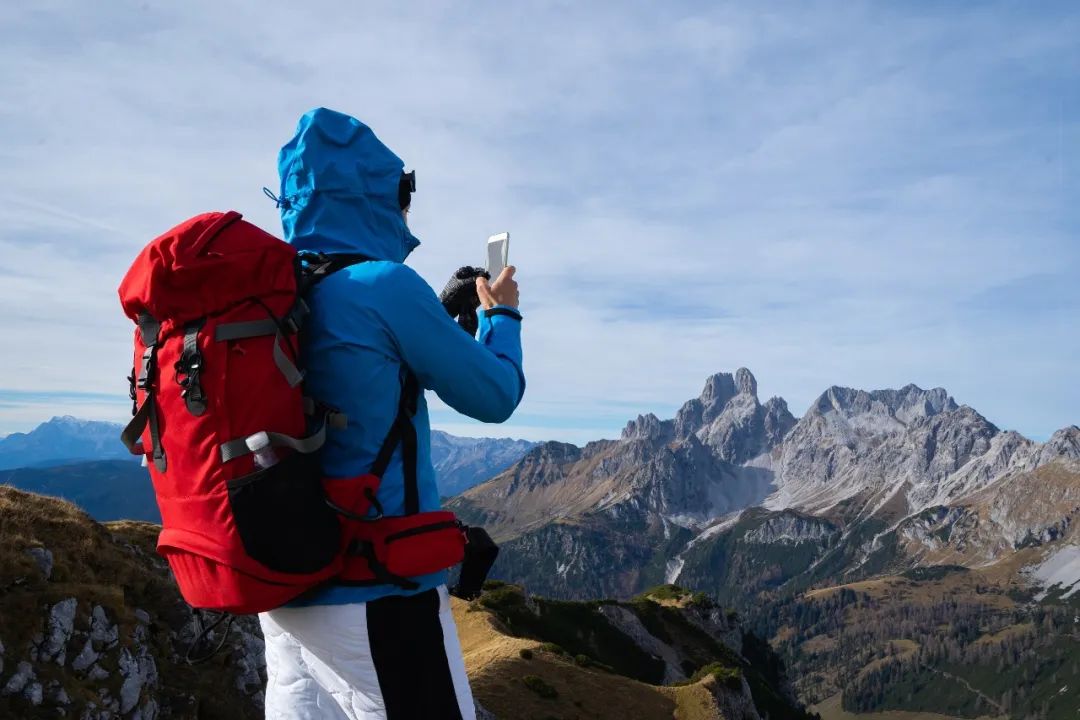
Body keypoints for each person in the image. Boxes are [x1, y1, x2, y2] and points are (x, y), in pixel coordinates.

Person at [258, 108, 525, 720]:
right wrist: (501, 317)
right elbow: (496, 396)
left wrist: (432, 313)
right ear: (378, 193)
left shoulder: (281, 291)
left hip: (283, 593)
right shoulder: (383, 286)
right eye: (403, 194)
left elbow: (354, 377)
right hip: (377, 593)